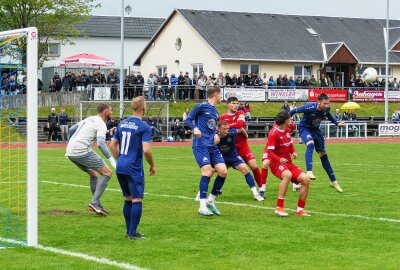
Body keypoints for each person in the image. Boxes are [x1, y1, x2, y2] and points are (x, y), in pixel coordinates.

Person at [110, 96, 156, 240]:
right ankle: (132, 233)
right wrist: (152, 165)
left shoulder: (122, 124)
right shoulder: (144, 127)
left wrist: (120, 160)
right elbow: (147, 150)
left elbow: (112, 145)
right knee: (137, 200)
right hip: (134, 167)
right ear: (144, 108)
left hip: (121, 165)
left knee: (127, 198)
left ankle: (129, 231)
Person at [66, 104, 116, 216]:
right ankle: (94, 202)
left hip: (70, 151)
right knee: (107, 172)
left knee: (93, 174)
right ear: (106, 112)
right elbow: (101, 144)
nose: (112, 112)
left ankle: (97, 204)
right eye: (111, 110)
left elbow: (71, 129)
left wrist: (72, 142)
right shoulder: (102, 124)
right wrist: (112, 160)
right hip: (81, 150)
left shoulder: (89, 118)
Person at [185, 86, 228, 216]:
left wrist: (216, 134)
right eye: (220, 94)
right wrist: (194, 129)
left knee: (223, 171)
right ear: (215, 94)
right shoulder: (201, 106)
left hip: (212, 146)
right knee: (207, 171)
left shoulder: (215, 111)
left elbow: (213, 127)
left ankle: (211, 200)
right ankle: (202, 206)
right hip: (200, 144)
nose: (221, 97)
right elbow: (188, 119)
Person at [289, 93, 345, 192]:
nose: (327, 105)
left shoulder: (326, 108)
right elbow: (293, 111)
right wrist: (287, 122)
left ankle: (333, 181)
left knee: (323, 154)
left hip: (316, 130)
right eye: (325, 103)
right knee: (310, 144)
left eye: (328, 103)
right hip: (305, 128)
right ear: (318, 102)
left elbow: (329, 115)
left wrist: (337, 123)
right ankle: (309, 171)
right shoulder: (309, 107)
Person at [267, 111, 311, 217]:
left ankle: (300, 210)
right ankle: (279, 207)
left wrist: (293, 152)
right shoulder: (273, 133)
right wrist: (279, 159)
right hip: (276, 163)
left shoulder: (287, 130)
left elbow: (290, 144)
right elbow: (269, 152)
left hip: (288, 163)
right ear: (285, 120)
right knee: (287, 175)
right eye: (290, 119)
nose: (291, 120)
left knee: (306, 179)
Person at [219, 97, 263, 198]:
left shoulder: (240, 113)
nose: (236, 105)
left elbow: (240, 124)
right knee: (222, 169)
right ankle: (218, 189)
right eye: (233, 103)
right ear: (228, 104)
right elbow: (221, 130)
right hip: (230, 148)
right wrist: (239, 130)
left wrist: (229, 127)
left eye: (237, 103)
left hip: (243, 146)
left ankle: (261, 189)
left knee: (254, 166)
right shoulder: (223, 117)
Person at [217, 121, 264, 201]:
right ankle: (205, 193)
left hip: (233, 156)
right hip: (222, 158)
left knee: (245, 169)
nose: (226, 131)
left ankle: (256, 194)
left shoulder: (232, 132)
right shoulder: (214, 136)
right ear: (218, 129)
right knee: (213, 172)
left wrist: (246, 135)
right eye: (223, 129)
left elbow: (241, 129)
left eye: (227, 129)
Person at [261, 121, 298, 198]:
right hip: (270, 148)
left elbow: (292, 128)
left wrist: (293, 152)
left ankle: (293, 182)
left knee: (286, 165)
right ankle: (262, 189)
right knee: (265, 163)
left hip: (280, 149)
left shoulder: (288, 126)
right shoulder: (277, 125)